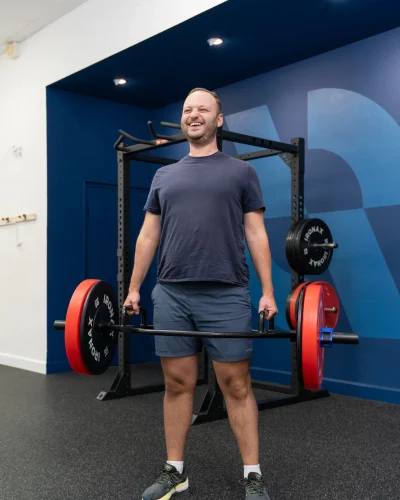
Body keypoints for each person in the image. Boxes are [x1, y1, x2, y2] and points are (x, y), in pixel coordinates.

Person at [123, 88, 278, 500]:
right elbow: (148, 235)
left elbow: (256, 233)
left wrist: (268, 291)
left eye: (202, 110)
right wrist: (135, 288)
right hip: (172, 292)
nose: (194, 115)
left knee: (237, 385)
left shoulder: (241, 172)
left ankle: (252, 474)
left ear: (218, 119)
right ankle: (176, 471)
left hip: (226, 292)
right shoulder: (164, 176)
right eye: (188, 110)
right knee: (176, 383)